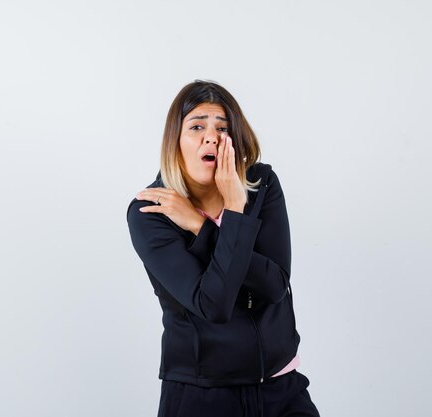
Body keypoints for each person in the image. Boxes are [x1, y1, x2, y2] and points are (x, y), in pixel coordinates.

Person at [126, 80, 320, 417]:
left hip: (280, 389)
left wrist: (209, 223)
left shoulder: (261, 185)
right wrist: (230, 220)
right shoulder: (151, 212)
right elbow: (213, 304)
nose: (211, 136)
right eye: (197, 125)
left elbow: (274, 285)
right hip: (202, 396)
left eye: (223, 128)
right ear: (175, 140)